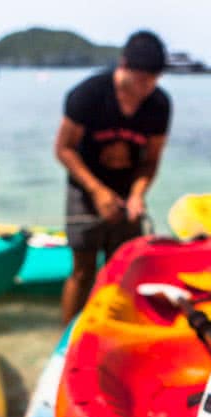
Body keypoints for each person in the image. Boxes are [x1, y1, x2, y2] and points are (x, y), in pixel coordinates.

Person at [55, 30, 172, 323]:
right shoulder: (89, 94)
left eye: (152, 80)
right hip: (85, 186)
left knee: (122, 270)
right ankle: (65, 342)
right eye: (139, 79)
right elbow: (64, 149)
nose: (145, 88)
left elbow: (152, 160)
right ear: (123, 66)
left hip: (126, 189)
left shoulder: (159, 105)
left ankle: (111, 332)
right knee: (82, 270)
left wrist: (137, 195)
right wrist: (97, 191)